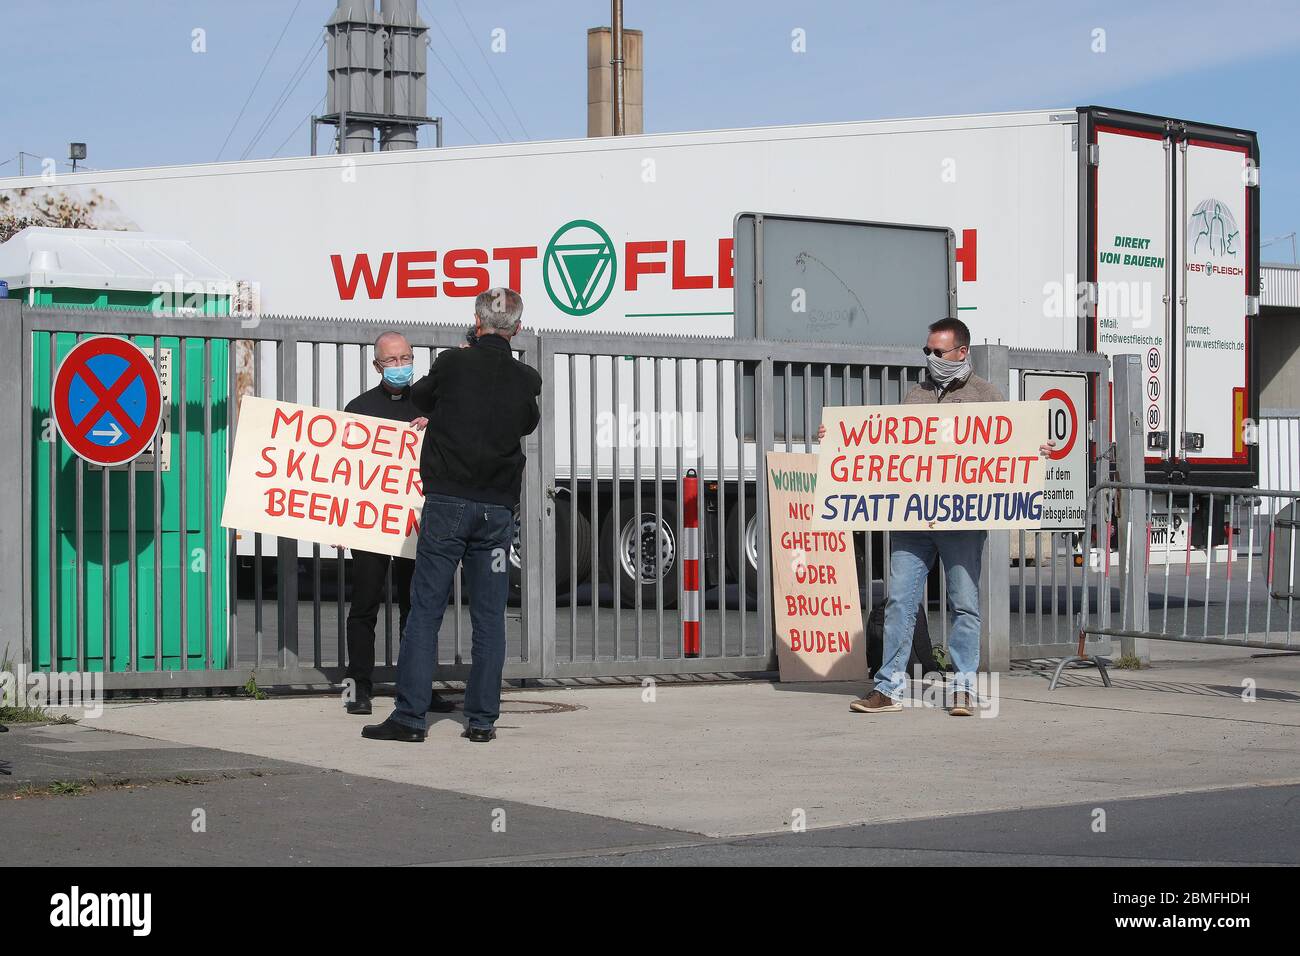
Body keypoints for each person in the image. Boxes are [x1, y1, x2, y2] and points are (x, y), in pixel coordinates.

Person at [819, 317, 1052, 717]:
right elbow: (888, 450)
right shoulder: (915, 396)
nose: (930, 358)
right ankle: (887, 688)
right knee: (899, 603)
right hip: (913, 522)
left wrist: (1037, 449)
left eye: (937, 352)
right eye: (926, 351)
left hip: (962, 521)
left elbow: (1014, 443)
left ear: (962, 352)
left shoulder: (986, 396)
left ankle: (962, 689)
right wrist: (839, 442)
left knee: (964, 604)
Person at [363, 287, 541, 744]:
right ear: (517, 329)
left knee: (425, 611)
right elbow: (526, 423)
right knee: (489, 616)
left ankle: (409, 718)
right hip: (496, 514)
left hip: (447, 506)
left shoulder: (453, 363)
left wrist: (459, 361)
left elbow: (420, 396)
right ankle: (481, 721)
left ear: (476, 322)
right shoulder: (526, 379)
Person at [340, 330, 455, 717]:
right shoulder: (358, 407)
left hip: (417, 522)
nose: (400, 366)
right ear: (377, 365)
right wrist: (338, 523)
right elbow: (341, 470)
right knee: (364, 606)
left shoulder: (431, 404)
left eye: (406, 358)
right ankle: (358, 686)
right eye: (391, 361)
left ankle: (418, 685)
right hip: (369, 523)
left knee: (417, 607)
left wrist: (436, 426)